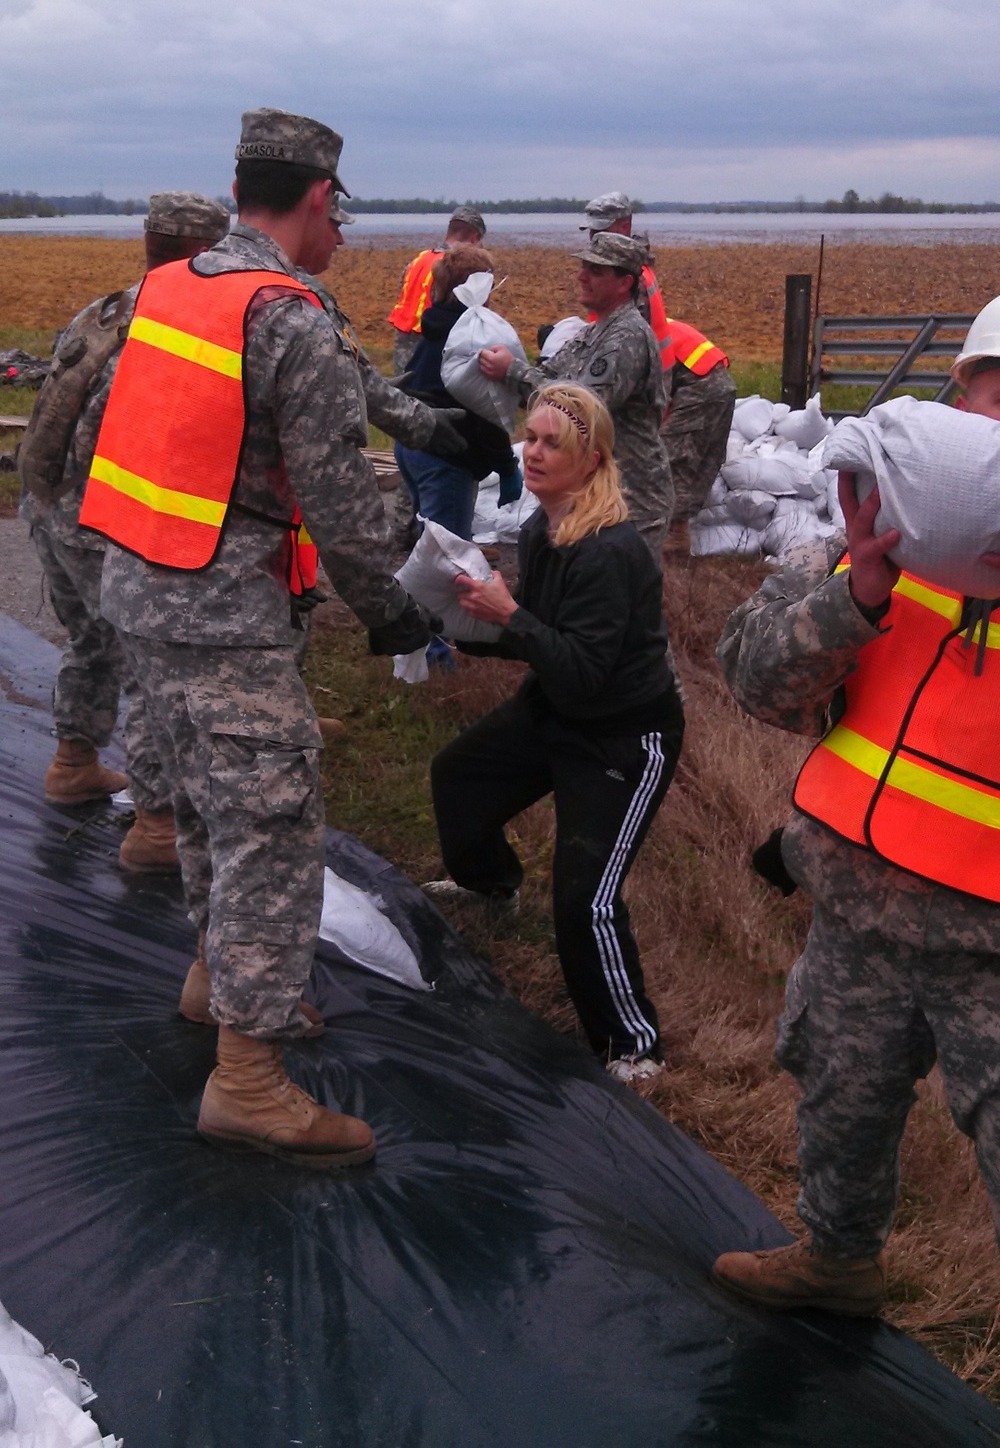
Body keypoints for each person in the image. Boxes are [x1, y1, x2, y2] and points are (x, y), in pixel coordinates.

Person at [82, 107, 437, 1168]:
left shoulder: (167, 288)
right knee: (272, 826)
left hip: (140, 588)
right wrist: (395, 610)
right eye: (341, 216)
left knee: (201, 795)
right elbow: (341, 502)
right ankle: (249, 1078)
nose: (341, 239)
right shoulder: (290, 316)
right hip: (226, 611)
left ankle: (214, 974)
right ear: (318, 199)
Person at [711, 330, 1000, 1316]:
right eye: (994, 397)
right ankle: (837, 1261)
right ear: (961, 400)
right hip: (855, 910)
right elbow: (752, 676)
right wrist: (858, 596)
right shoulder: (869, 539)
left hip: (990, 948)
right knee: (837, 1098)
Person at [428, 383, 684, 1083]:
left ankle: (635, 1046)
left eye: (551, 444)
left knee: (585, 897)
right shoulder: (543, 528)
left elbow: (585, 672)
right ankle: (490, 884)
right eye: (530, 438)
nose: (532, 453)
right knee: (458, 776)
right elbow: (538, 645)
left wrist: (510, 615)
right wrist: (455, 622)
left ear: (591, 460)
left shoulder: (609, 550)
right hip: (558, 706)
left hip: (624, 736)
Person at [18, 191, 230, 874]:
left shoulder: (105, 309)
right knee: (151, 669)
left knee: (90, 641)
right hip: (103, 526)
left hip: (48, 509)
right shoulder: (175, 325)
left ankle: (73, 763)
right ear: (203, 253)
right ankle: (157, 827)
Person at [479, 232, 674, 561]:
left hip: (633, 498)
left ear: (624, 283)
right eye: (583, 266)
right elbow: (549, 380)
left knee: (623, 601)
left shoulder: (627, 336)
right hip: (597, 493)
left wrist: (512, 371)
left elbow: (579, 410)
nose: (581, 276)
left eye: (595, 271)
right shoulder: (594, 332)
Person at [583, 191, 735, 520]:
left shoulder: (630, 281)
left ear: (625, 225)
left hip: (699, 380)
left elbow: (633, 362)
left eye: (603, 230)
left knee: (669, 464)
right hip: (686, 377)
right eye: (592, 231)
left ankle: (671, 545)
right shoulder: (629, 274)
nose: (595, 237)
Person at [394, 243, 522, 539]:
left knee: (429, 542)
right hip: (445, 455)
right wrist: (506, 467)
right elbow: (486, 411)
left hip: (412, 445)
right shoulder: (472, 339)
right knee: (448, 556)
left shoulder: (436, 326)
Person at [388, 205, 486, 373]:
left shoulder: (418, 260)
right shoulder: (455, 268)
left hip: (403, 348)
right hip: (431, 349)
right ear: (474, 238)